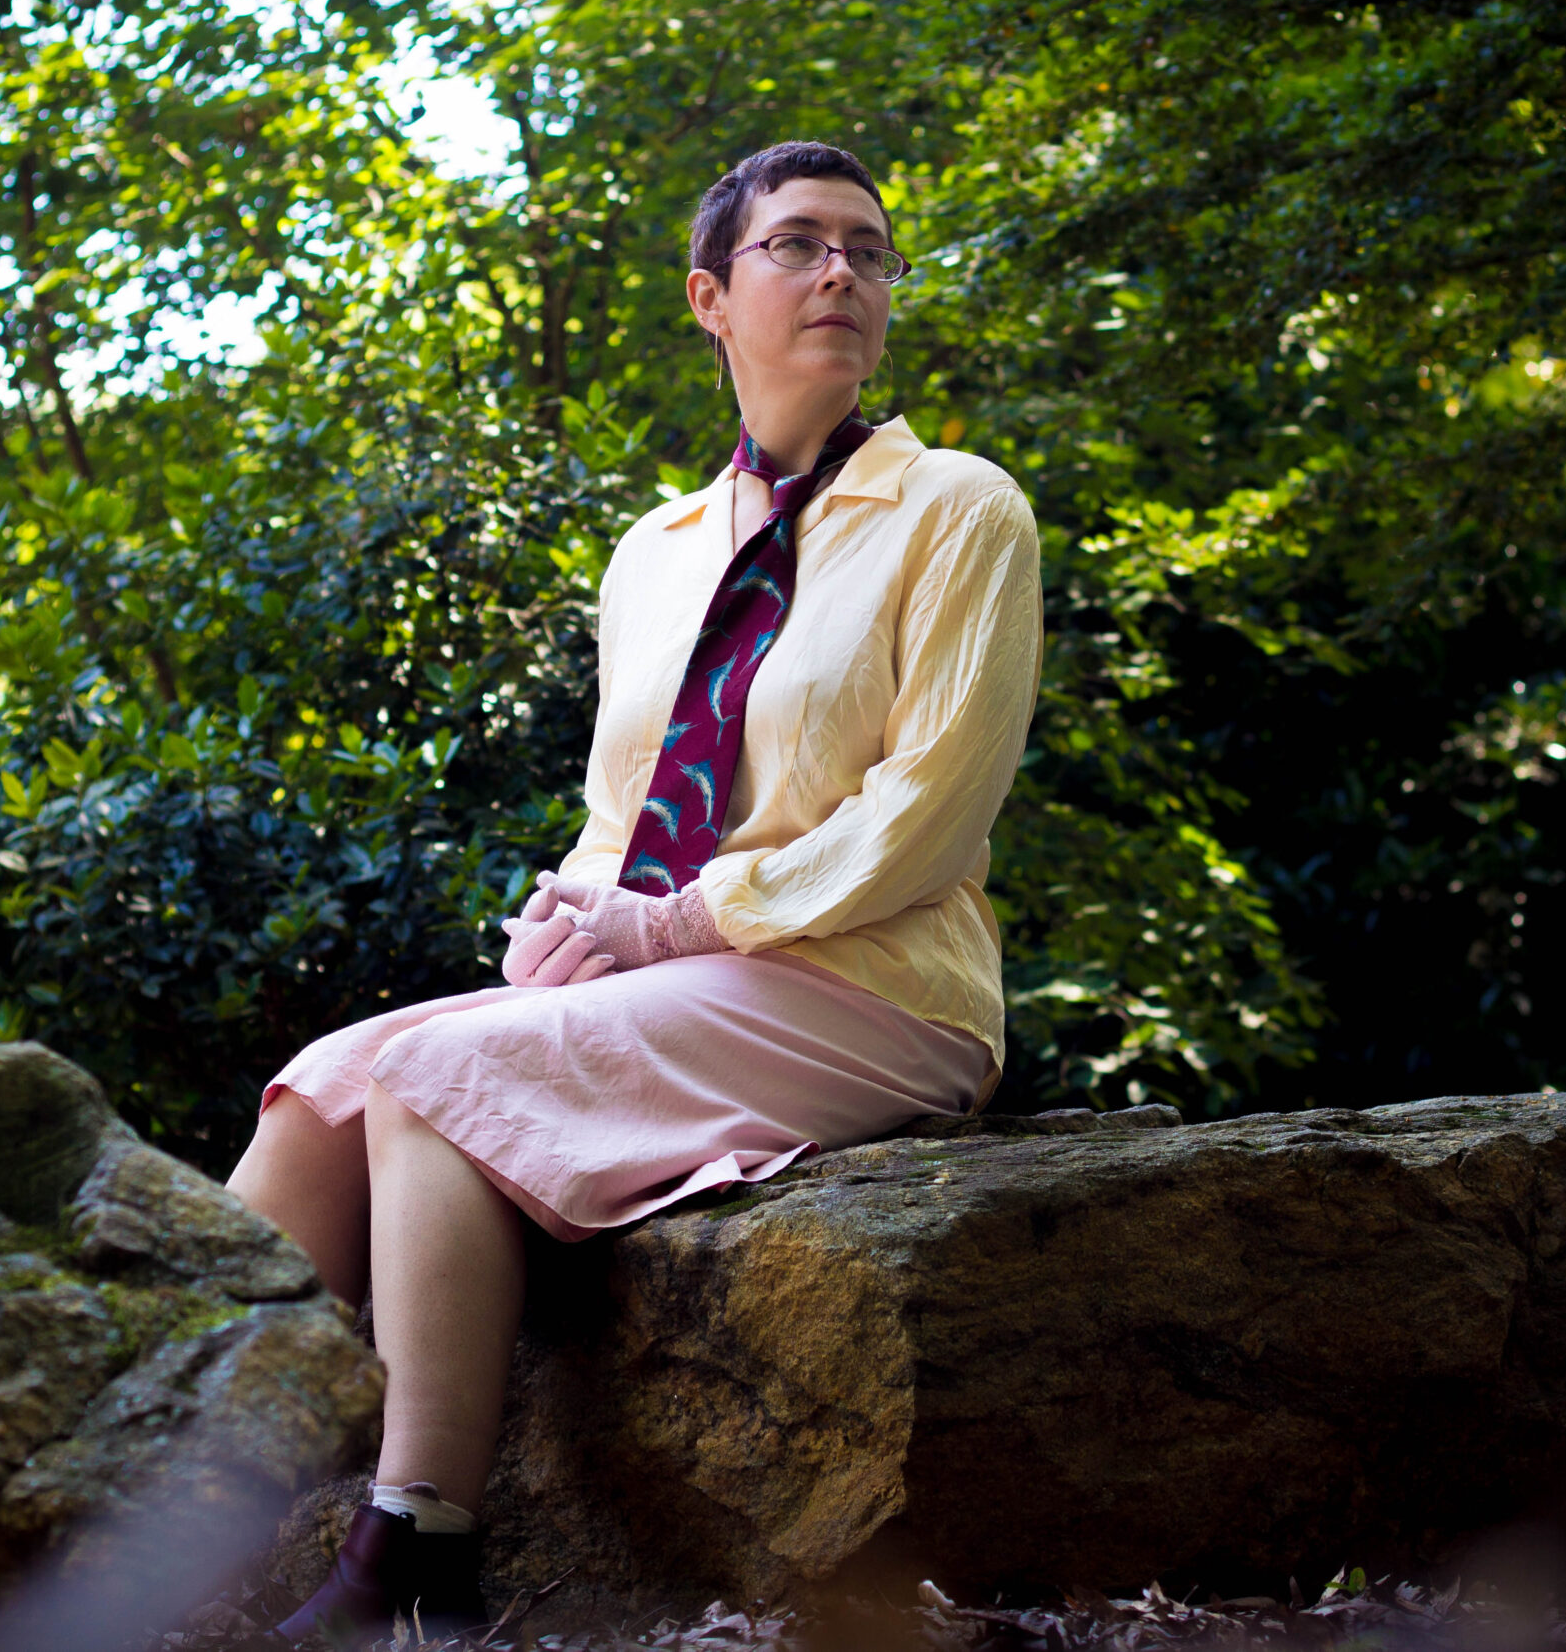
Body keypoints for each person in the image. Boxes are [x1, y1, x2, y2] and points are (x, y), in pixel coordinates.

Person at [228, 139, 1042, 1645]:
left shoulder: (960, 509)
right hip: (688, 972)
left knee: (434, 1080)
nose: (842, 273)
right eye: (798, 245)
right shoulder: (654, 553)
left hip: (878, 988)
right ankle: (160, 1488)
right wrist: (578, 917)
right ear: (710, 296)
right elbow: (627, 820)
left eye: (867, 250)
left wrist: (664, 925)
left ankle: (419, 1552)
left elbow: (929, 815)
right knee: (322, 1085)